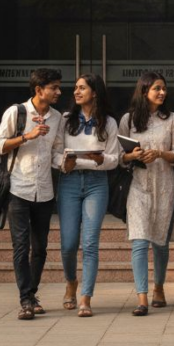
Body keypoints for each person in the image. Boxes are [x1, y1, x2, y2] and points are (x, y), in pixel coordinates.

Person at [0, 68, 63, 321]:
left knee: (40, 248)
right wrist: (27, 136)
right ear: (38, 90)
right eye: (53, 87)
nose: (58, 92)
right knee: (21, 247)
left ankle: (32, 294)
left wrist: (66, 162)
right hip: (18, 190)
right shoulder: (17, 112)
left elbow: (56, 152)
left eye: (58, 87)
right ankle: (25, 300)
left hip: (44, 191)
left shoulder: (57, 118)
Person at [119, 72, 174, 317]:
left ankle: (159, 286)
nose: (162, 92)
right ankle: (142, 297)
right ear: (144, 90)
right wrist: (133, 156)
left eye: (164, 89)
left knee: (160, 242)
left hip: (165, 185)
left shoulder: (173, 119)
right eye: (157, 88)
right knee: (139, 240)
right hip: (138, 184)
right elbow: (120, 156)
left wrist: (159, 153)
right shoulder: (129, 119)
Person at [56, 73, 120, 318]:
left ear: (95, 92)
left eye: (82, 87)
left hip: (96, 182)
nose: (76, 91)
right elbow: (56, 152)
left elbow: (114, 159)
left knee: (91, 243)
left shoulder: (109, 123)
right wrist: (64, 163)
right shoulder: (64, 120)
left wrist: (101, 159)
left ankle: (85, 297)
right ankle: (71, 281)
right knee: (69, 244)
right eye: (75, 88)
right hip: (69, 181)